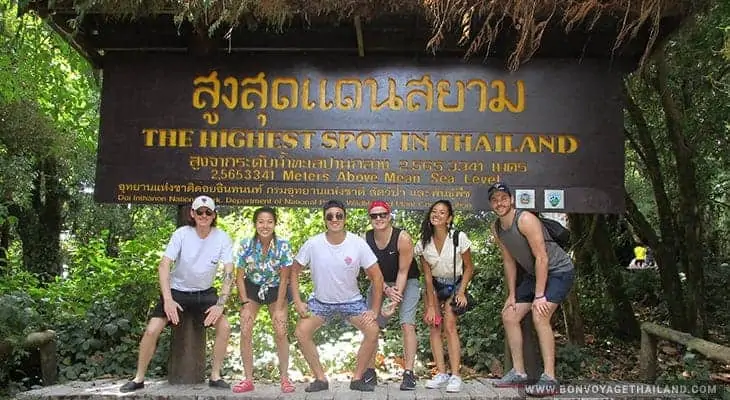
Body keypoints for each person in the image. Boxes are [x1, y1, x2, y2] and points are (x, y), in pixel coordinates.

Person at [120, 195, 234, 392]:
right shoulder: (182, 234)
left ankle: (215, 375)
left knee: (225, 327)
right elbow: (164, 266)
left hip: (205, 293)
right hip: (177, 291)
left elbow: (229, 272)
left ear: (214, 215)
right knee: (151, 330)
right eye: (199, 211)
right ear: (192, 213)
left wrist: (220, 304)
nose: (204, 215)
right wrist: (168, 300)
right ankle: (138, 378)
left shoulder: (222, 237)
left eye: (208, 212)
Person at [488, 182, 574, 395]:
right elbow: (508, 261)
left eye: (503, 198)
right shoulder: (497, 227)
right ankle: (519, 372)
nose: (500, 203)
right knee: (509, 315)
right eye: (495, 200)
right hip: (535, 274)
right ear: (491, 204)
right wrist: (512, 294)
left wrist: (539, 295)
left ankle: (550, 378)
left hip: (559, 271)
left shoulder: (525, 219)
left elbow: (542, 257)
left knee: (539, 315)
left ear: (512, 200)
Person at [289, 200, 384, 393]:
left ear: (345, 218)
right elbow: (294, 271)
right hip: (321, 302)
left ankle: (357, 378)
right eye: (330, 216)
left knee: (373, 331)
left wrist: (374, 310)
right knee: (301, 332)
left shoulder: (357, 243)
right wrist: (298, 302)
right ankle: (320, 379)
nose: (334, 219)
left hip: (352, 302)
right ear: (324, 220)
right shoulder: (313, 244)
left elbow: (377, 276)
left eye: (339, 215)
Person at [233, 207, 295, 393]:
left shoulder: (283, 245)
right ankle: (248, 379)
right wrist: (244, 304)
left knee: (280, 329)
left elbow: (285, 278)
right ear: (255, 224)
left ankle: (284, 378)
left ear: (275, 224)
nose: (265, 225)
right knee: (245, 327)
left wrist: (279, 308)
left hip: (277, 288)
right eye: (261, 221)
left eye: (269, 221)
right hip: (252, 287)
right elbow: (239, 277)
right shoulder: (246, 245)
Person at [416, 199, 475, 393]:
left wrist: (461, 291)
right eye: (434, 211)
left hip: (455, 283)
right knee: (434, 325)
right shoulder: (424, 242)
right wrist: (431, 305)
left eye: (442, 212)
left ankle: (455, 375)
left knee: (449, 325)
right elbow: (426, 276)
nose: (437, 215)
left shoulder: (459, 237)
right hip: (434, 286)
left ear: (449, 218)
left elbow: (469, 267)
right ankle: (441, 373)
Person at [362, 200, 421, 391]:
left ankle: (409, 373)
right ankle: (369, 371)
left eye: (382, 215)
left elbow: (403, 272)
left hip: (407, 280)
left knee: (407, 324)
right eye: (374, 215)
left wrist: (394, 301)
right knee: (371, 324)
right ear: (370, 218)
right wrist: (385, 290)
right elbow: (369, 272)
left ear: (389, 216)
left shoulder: (402, 237)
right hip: (379, 282)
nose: (379, 218)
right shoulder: (366, 239)